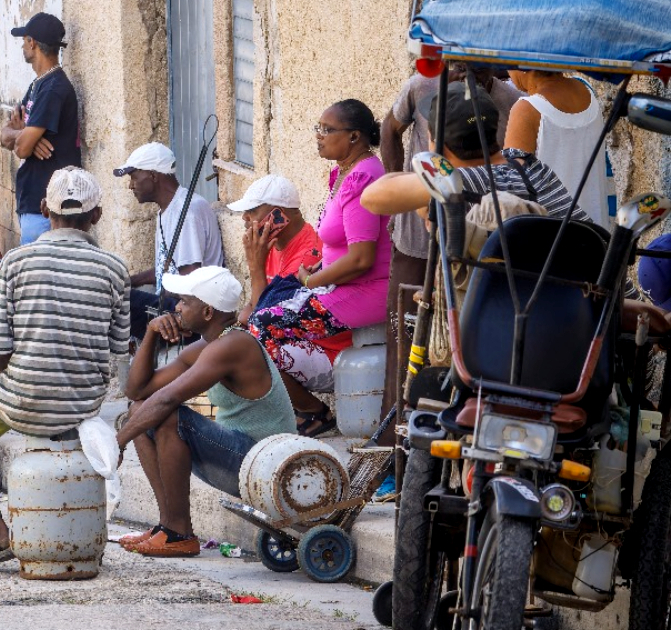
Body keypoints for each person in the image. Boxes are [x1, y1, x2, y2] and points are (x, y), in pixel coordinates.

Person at [0, 167, 130, 571]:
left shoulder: (17, 261)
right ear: (96, 216)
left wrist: (11, 379)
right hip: (85, 403)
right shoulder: (115, 268)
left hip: (23, 397)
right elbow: (117, 348)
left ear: (44, 209)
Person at [378, 64, 523, 427]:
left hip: (479, 249)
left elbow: (375, 198)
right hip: (420, 245)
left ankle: (434, 431)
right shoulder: (420, 86)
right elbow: (389, 131)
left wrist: (417, 190)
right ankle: (395, 437)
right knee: (405, 343)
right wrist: (407, 196)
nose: (462, 72)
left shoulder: (511, 103)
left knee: (455, 347)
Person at [119, 267, 294, 557]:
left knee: (168, 415)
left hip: (266, 466)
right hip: (243, 458)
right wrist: (151, 332)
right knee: (140, 410)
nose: (177, 307)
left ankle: (178, 532)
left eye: (185, 302)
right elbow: (138, 391)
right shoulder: (209, 345)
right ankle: (168, 528)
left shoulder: (233, 345)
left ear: (208, 312)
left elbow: (166, 399)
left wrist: (118, 441)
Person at [247, 99, 389, 438]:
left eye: (327, 130)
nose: (319, 136)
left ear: (354, 136)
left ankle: (314, 411)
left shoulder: (364, 178)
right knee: (256, 325)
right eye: (318, 128)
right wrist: (321, 265)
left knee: (259, 330)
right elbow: (340, 245)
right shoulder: (342, 174)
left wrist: (312, 278)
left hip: (365, 290)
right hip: (338, 284)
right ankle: (303, 408)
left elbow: (361, 259)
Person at [361, 82, 593, 224]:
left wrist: (431, 162)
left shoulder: (466, 182)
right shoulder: (529, 164)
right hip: (609, 295)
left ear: (438, 142)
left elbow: (371, 198)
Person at [116, 142, 224, 341]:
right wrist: (130, 281)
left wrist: (154, 308)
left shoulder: (188, 210)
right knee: (114, 292)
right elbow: (166, 270)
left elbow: (189, 281)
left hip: (192, 314)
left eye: (133, 177)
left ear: (153, 175)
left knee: (112, 300)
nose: (131, 185)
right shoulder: (166, 212)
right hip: (170, 306)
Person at [0, 12, 82, 245]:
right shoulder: (39, 84)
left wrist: (26, 138)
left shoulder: (53, 88)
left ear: (32, 42)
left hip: (47, 207)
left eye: (24, 40)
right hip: (36, 205)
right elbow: (5, 136)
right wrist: (23, 134)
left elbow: (22, 149)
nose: (23, 46)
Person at [505, 69, 610, 227]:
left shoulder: (526, 110)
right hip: (596, 228)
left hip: (553, 237)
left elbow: (511, 188)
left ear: (523, 65)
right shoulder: (586, 90)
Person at [229, 174, 321, 322]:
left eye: (252, 210)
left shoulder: (307, 257)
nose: (244, 217)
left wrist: (255, 266)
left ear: (279, 213)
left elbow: (263, 320)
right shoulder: (269, 243)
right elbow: (249, 309)